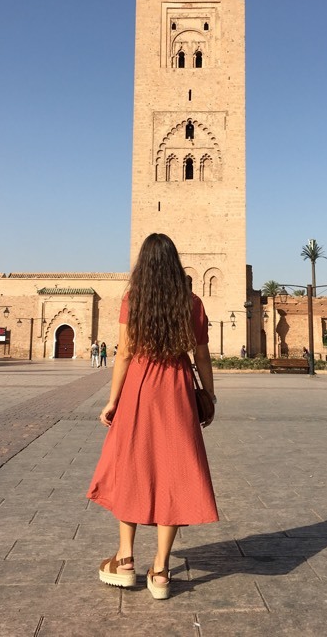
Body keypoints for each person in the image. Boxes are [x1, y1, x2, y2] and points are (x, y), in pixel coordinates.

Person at [87, 233, 218, 600]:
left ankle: (125, 561)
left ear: (143, 265)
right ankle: (160, 571)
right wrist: (208, 395)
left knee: (131, 466)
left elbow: (125, 354)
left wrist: (112, 400)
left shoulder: (134, 300)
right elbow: (202, 357)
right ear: (175, 265)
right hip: (176, 391)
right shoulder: (191, 303)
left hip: (139, 389)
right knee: (174, 471)